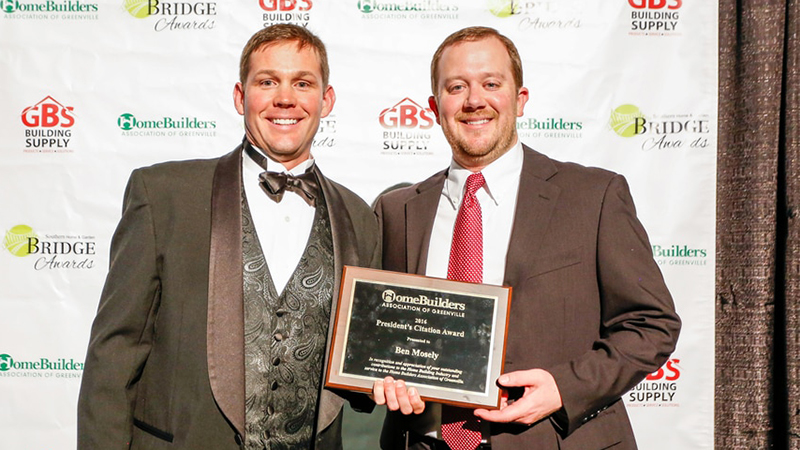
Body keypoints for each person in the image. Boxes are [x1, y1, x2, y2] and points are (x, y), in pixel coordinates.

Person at [372, 26, 681, 450]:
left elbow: (652, 324)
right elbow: (378, 340)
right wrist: (384, 377)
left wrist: (563, 388)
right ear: (434, 107)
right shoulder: (396, 211)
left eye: (491, 84)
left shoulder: (593, 197)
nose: (474, 100)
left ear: (520, 99)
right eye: (456, 87)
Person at [77, 24, 380, 450]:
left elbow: (361, 368)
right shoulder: (163, 195)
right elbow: (115, 352)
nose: (285, 98)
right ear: (240, 97)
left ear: (326, 100)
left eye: (302, 83)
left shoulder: (359, 217)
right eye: (267, 82)